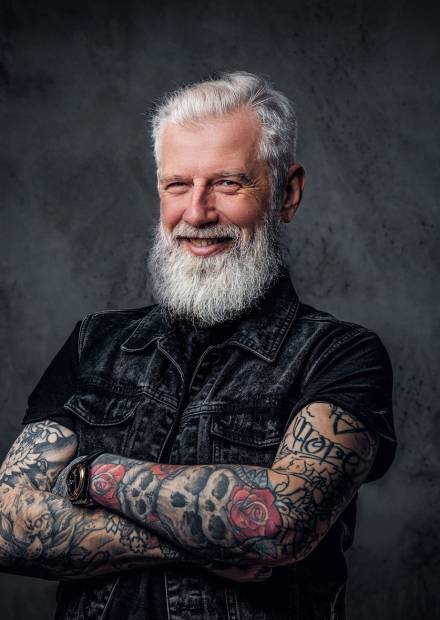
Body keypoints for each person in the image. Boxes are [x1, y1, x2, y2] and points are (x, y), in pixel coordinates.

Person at [0, 71, 396, 620]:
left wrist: (91, 476)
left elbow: (281, 522)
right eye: (177, 185)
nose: (197, 213)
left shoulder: (341, 355)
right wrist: (203, 538)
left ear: (288, 193)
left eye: (228, 184)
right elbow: (9, 527)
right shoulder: (95, 343)